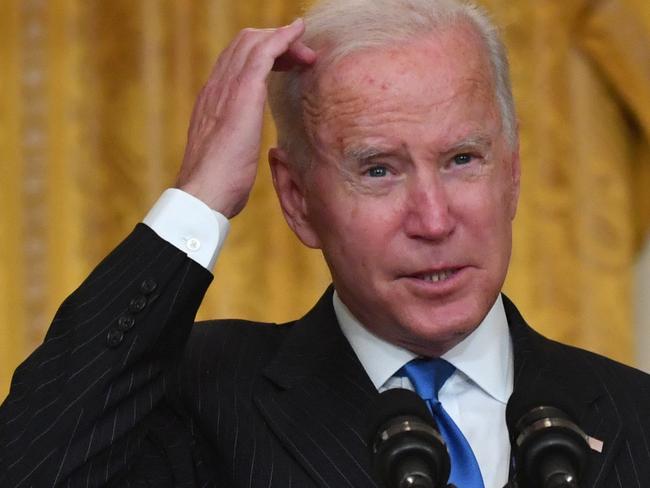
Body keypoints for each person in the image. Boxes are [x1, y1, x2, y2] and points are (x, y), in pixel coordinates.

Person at [2, 0, 649, 486]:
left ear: (512, 171)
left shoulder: (633, 416)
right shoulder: (197, 399)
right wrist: (200, 198)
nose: (432, 218)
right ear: (296, 198)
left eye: (460, 159)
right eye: (378, 170)